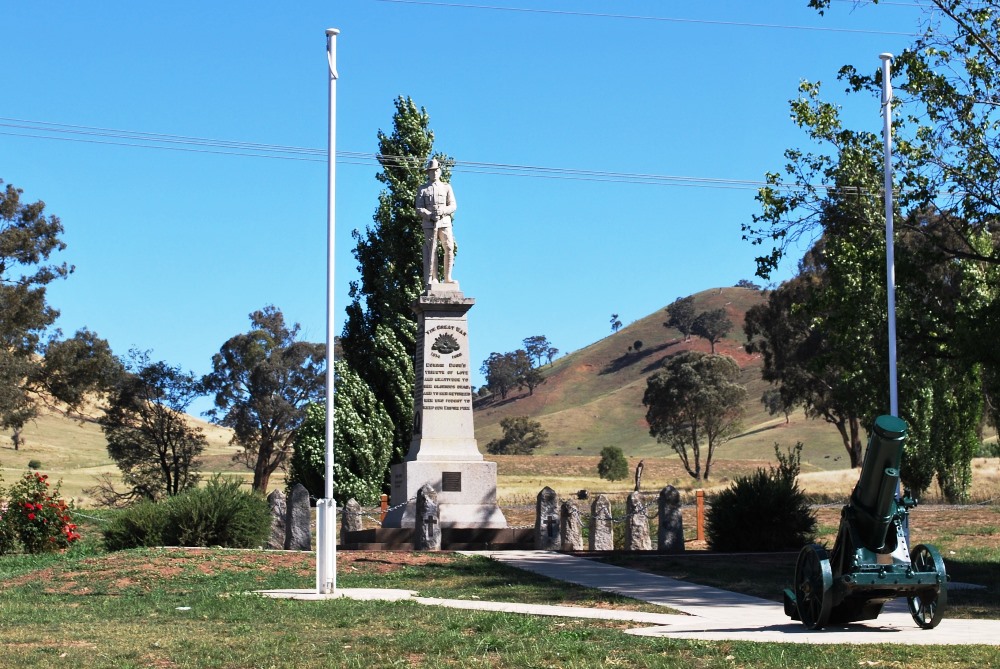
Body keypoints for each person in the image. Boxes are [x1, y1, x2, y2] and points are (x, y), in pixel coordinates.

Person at [415, 158, 457, 285]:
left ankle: (448, 278)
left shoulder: (446, 187)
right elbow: (418, 208)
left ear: (440, 171)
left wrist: (443, 211)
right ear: (428, 173)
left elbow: (453, 205)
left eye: (436, 170)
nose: (434, 173)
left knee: (449, 247)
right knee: (431, 249)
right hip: (429, 224)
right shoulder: (423, 189)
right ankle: (434, 278)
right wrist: (430, 215)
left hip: (444, 222)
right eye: (432, 171)